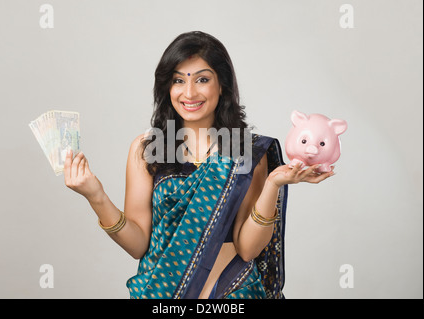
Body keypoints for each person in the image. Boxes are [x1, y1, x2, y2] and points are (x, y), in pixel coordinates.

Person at [63, 31, 334, 299]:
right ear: (167, 87)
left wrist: (273, 184)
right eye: (178, 80)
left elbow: (248, 248)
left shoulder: (246, 152)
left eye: (202, 79)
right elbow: (137, 245)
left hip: (233, 294)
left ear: (222, 85)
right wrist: (95, 195)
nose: (189, 92)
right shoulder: (147, 148)